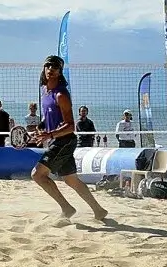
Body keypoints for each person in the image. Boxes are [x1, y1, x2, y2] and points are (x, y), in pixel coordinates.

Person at [29, 55, 108, 220]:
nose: (51, 69)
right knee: (71, 180)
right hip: (57, 139)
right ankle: (98, 210)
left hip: (64, 140)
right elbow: (49, 118)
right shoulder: (45, 92)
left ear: (59, 72)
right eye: (49, 66)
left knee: (37, 175)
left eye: (55, 67)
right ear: (44, 69)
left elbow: (71, 125)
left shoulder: (61, 94)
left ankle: (67, 208)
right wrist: (41, 127)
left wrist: (49, 134)